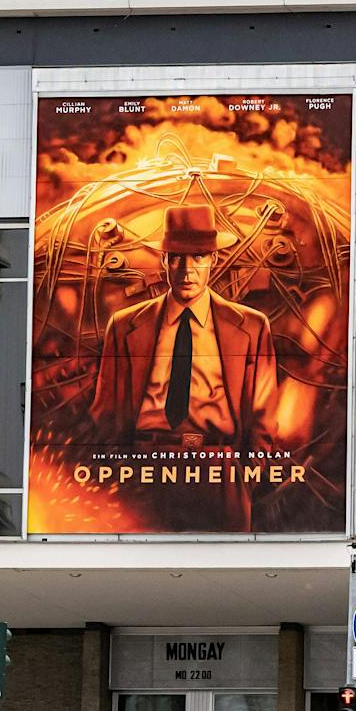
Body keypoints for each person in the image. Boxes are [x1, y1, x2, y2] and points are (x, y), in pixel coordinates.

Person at [87, 203, 280, 527]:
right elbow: (105, 410)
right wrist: (123, 470)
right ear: (163, 261)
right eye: (176, 257)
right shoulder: (125, 325)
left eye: (198, 257)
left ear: (214, 260)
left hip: (222, 469)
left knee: (228, 569)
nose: (187, 270)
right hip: (146, 468)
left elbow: (264, 414)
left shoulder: (250, 326)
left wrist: (246, 476)